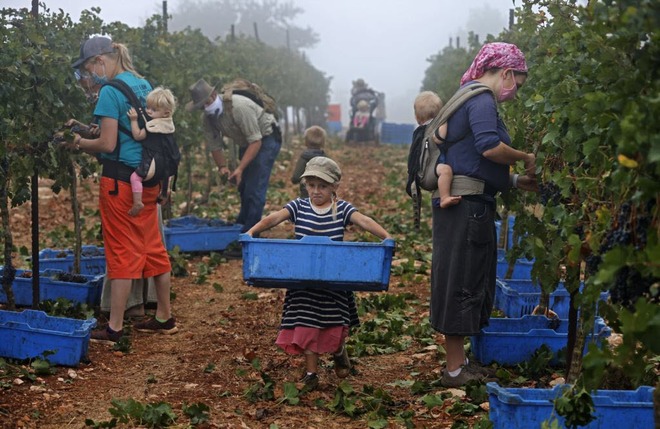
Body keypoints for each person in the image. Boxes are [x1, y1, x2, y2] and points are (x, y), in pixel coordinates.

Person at [428, 42, 537, 387]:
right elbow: (488, 147)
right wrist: (526, 157)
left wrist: (516, 181)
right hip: (466, 208)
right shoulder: (481, 100)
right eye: (516, 84)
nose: (515, 93)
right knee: (462, 281)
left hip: (468, 204)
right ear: (505, 72)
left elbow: (475, 164)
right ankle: (456, 371)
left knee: (466, 278)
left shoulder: (469, 97)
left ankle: (460, 365)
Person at [65, 36, 177, 344]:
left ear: (100, 60)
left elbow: (107, 144)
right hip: (148, 178)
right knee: (153, 247)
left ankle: (114, 327)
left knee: (121, 251)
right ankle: (165, 316)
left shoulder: (108, 93)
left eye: (89, 66)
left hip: (120, 184)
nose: (89, 74)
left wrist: (77, 143)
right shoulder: (143, 83)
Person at [245, 157, 392, 391]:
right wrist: (252, 232)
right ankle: (311, 374)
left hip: (333, 281)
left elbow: (363, 221)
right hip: (303, 281)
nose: (316, 191)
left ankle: (339, 351)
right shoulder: (298, 206)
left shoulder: (341, 209)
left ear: (334, 186)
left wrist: (386, 238)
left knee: (333, 325)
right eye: (311, 185)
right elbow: (274, 217)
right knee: (306, 325)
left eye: (322, 186)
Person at [186, 78, 282, 237]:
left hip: (266, 138)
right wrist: (222, 167)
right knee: (244, 185)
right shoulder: (208, 118)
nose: (206, 107)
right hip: (247, 141)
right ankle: (242, 224)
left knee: (255, 187)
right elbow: (214, 145)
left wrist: (240, 168)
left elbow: (256, 141)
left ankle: (250, 235)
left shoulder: (238, 107)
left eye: (207, 102)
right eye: (201, 105)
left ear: (214, 94)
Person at [127, 86, 177, 216]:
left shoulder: (152, 126)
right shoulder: (169, 125)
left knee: (135, 177)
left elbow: (138, 135)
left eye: (153, 110)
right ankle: (165, 191)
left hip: (153, 161)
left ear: (166, 113)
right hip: (167, 164)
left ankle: (137, 201)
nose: (148, 111)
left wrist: (133, 120)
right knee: (164, 177)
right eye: (148, 107)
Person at [291, 125, 327, 198]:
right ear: (323, 142)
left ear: (306, 142)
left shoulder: (304, 157)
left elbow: (296, 177)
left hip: (306, 193)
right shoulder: (325, 158)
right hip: (323, 194)